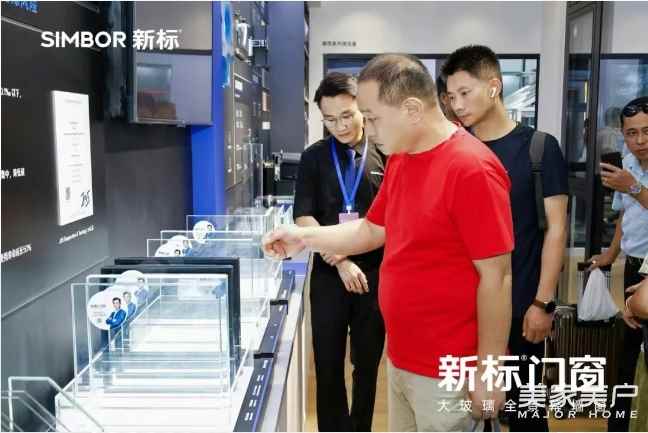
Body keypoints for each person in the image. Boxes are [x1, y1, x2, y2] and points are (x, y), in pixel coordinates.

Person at [264, 53, 514, 431]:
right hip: (402, 359)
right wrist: (303, 236)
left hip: (450, 370)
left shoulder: (472, 168)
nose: (366, 127)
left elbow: (498, 277)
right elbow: (371, 229)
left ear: (411, 109)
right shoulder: (402, 158)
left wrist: (490, 370)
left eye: (372, 117)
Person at [443, 45, 568, 432]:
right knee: (468, 411)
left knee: (525, 412)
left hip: (520, 306)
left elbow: (556, 230)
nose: (457, 104)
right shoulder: (454, 149)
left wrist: (543, 302)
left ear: (494, 87)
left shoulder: (539, 148)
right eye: (450, 96)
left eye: (465, 93)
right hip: (465, 309)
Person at [294, 72, 386, 432]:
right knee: (328, 364)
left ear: (362, 108)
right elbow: (304, 216)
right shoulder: (314, 158)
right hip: (330, 274)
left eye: (347, 115)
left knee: (367, 365)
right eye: (330, 119)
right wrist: (341, 259)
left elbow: (392, 218)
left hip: (375, 275)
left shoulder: (386, 153)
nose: (340, 126)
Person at [588, 96, 648, 432]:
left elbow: (634, 194)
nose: (640, 141)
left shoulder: (631, 176)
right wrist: (610, 255)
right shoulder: (627, 161)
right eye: (632, 133)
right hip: (634, 264)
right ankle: (620, 426)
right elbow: (627, 213)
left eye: (647, 132)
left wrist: (634, 186)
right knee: (627, 351)